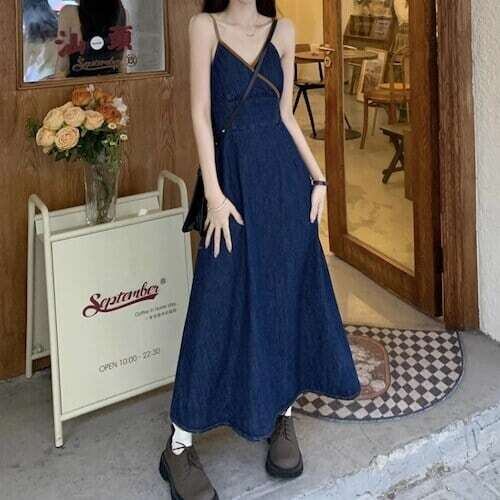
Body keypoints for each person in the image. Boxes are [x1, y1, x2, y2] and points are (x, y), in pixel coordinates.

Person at [159, 1, 361, 498]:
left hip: (285, 187)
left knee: (282, 296)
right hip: (231, 189)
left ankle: (281, 413)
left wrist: (318, 177)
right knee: (216, 303)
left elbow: (284, 115)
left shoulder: (283, 30)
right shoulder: (204, 27)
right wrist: (214, 195)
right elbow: (200, 114)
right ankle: (179, 442)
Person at [55, 0, 127, 77]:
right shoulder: (122, 13)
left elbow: (63, 67)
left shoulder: (69, 13)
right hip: (113, 82)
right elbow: (122, 64)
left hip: (79, 83)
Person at [23, 0, 58, 82]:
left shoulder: (28, 39)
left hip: (38, 79)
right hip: (52, 75)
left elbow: (23, 68)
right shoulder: (59, 31)